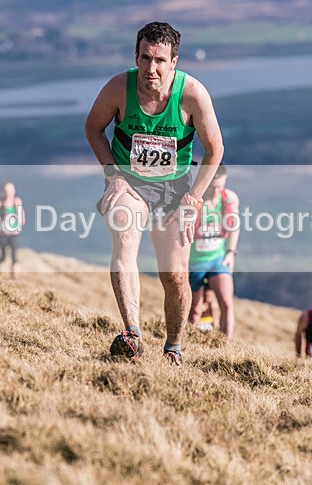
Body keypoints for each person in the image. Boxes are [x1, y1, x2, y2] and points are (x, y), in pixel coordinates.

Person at [85, 21, 225, 367]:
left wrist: (194, 198)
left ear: (174, 62)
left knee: (175, 276)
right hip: (128, 183)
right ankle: (131, 335)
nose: (152, 68)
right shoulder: (119, 87)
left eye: (161, 60)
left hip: (175, 189)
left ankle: (173, 347)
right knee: (124, 240)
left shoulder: (192, 94)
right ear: (136, 56)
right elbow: (93, 128)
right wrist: (112, 174)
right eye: (146, 58)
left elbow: (215, 150)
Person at [187, 164, 239, 339]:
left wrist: (231, 252)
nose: (217, 191)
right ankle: (185, 343)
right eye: (213, 187)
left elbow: (234, 227)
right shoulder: (194, 202)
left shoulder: (229, 199)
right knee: (195, 310)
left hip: (218, 259)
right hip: (194, 262)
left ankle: (227, 345)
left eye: (221, 186)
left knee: (226, 303)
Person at [0, 181, 25, 279]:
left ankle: (14, 280)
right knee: (3, 256)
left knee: (15, 257)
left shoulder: (17, 201)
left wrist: (15, 223)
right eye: (6, 190)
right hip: (1, 234)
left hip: (14, 233)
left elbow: (21, 217)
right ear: (3, 191)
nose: (9, 192)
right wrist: (2, 221)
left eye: (11, 190)